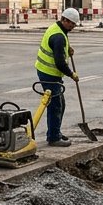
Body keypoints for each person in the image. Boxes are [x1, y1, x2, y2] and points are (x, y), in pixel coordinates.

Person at [34, 8, 80, 147]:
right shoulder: (58, 36)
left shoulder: (57, 29)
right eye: (71, 24)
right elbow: (60, 63)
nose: (72, 27)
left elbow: (58, 46)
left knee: (60, 104)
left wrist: (67, 49)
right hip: (49, 74)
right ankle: (54, 137)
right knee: (55, 105)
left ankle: (55, 132)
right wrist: (72, 74)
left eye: (74, 25)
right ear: (64, 20)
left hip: (46, 72)